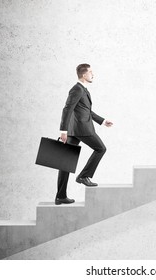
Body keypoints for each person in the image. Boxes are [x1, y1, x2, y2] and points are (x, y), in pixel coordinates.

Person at [56, 63, 113, 205]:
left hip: (76, 130)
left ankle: (60, 196)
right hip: (82, 129)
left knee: (66, 162)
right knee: (101, 149)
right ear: (83, 75)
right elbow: (67, 109)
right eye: (90, 72)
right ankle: (84, 176)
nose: (93, 74)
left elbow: (86, 111)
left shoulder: (82, 89)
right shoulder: (77, 89)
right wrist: (63, 131)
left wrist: (103, 121)